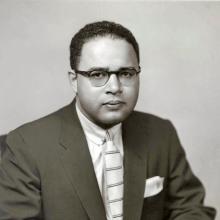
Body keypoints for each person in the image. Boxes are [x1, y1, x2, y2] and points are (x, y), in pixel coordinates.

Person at [0, 21, 216, 220]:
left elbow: (190, 209)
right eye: (97, 75)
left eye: (126, 73)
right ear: (74, 80)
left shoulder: (160, 133)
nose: (115, 88)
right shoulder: (26, 145)